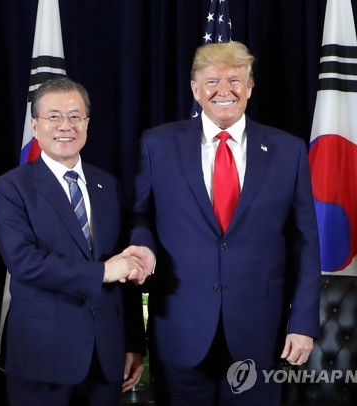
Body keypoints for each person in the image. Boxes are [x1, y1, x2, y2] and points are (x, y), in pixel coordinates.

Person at [130, 41, 321, 405]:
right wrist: (143, 247)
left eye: (234, 80)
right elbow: (141, 216)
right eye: (212, 81)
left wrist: (302, 323)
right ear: (195, 89)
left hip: (262, 333)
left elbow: (305, 241)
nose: (224, 90)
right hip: (180, 327)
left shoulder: (289, 150)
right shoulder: (158, 144)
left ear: (249, 87)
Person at [0, 76, 154, 405]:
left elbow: (123, 265)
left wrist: (134, 342)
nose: (65, 126)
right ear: (35, 125)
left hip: (106, 356)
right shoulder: (11, 187)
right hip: (43, 356)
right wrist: (102, 272)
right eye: (53, 116)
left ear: (87, 123)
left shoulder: (107, 184)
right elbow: (24, 263)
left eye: (75, 116)